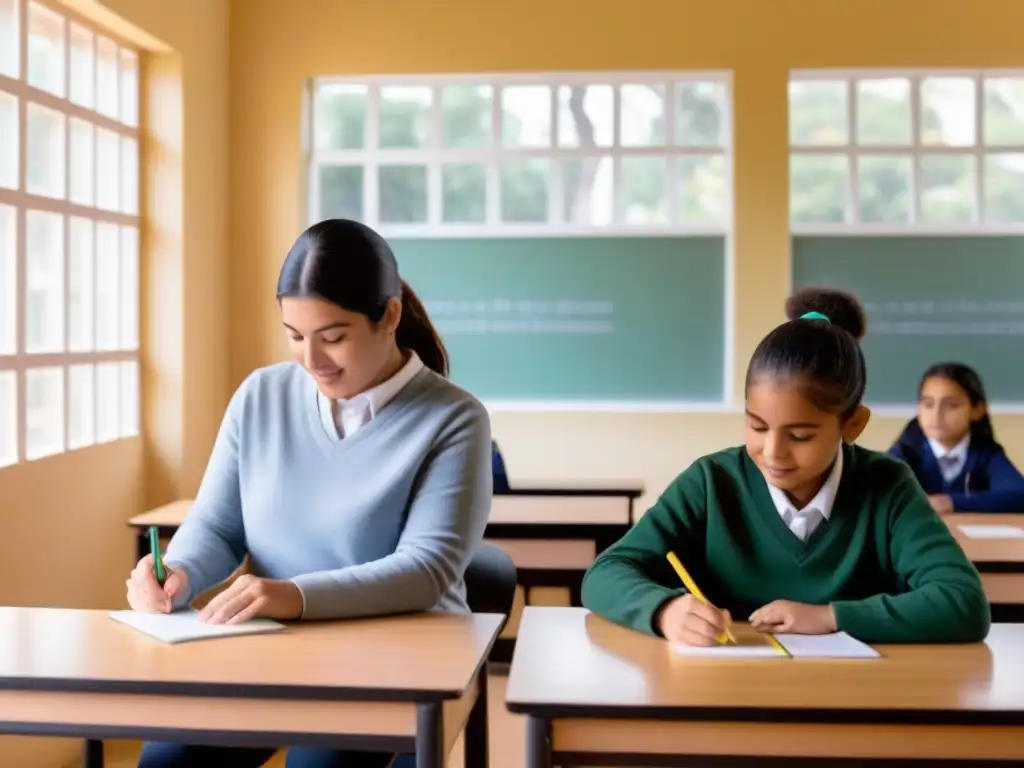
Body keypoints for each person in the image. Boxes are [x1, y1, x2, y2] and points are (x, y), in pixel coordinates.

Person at [125, 219, 493, 768]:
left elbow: (426, 569)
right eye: (295, 336)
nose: (312, 361)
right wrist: (177, 571)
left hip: (399, 655)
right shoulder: (260, 395)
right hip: (268, 652)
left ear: (389, 316)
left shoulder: (454, 418)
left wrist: (293, 596)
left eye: (334, 337)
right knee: (166, 762)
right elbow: (220, 526)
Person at [581, 288, 990, 647]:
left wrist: (830, 616)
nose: (773, 452)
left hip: (853, 703)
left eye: (800, 436)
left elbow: (963, 602)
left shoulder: (887, 486)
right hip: (722, 698)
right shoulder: (711, 482)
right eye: (757, 426)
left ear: (853, 425)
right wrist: (664, 611)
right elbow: (605, 573)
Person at [889, 362, 1024, 514]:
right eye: (928, 404)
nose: (936, 415)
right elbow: (881, 496)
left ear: (977, 410)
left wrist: (950, 502)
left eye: (951, 405)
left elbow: (1019, 495)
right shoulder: (904, 452)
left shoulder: (985, 453)